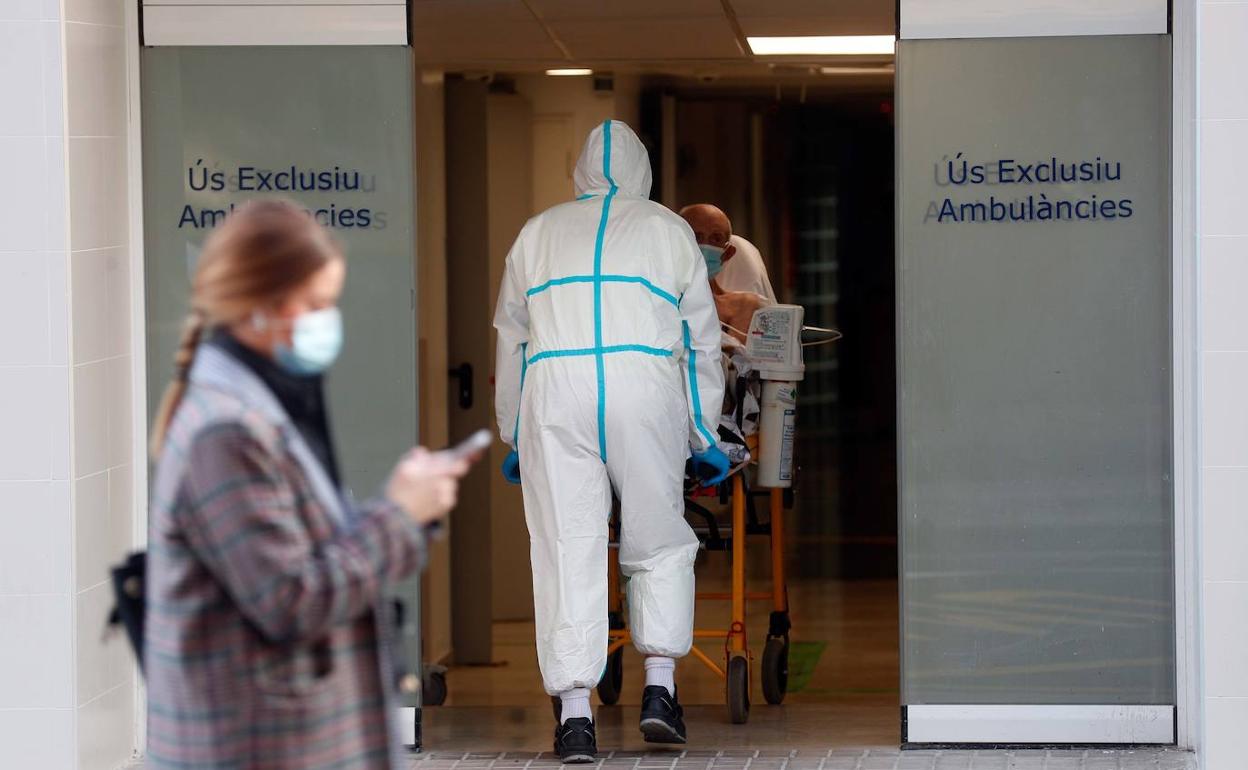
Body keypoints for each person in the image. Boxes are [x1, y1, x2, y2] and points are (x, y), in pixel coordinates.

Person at [145, 199, 471, 770]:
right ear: (260, 306)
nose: (327, 321)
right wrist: (398, 515)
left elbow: (307, 552)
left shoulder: (260, 404)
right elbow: (291, 599)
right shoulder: (225, 431)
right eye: (316, 304)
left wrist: (401, 506)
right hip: (254, 745)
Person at [494, 120, 730, 763]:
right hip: (641, 388)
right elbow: (698, 340)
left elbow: (511, 338)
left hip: (556, 392)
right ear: (642, 171)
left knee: (566, 544)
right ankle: (659, 690)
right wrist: (704, 431)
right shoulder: (666, 229)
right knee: (657, 536)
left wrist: (515, 429)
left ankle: (576, 719)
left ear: (580, 171)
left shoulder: (537, 232)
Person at [679, 204, 775, 343]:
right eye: (696, 237)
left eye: (716, 239)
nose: (705, 246)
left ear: (728, 254)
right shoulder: (659, 302)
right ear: (676, 244)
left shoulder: (746, 306)